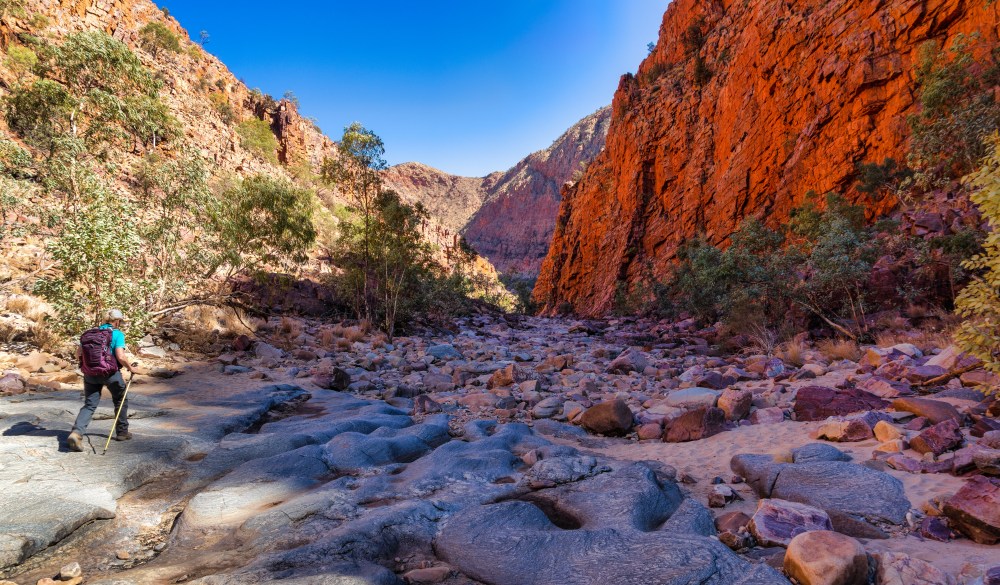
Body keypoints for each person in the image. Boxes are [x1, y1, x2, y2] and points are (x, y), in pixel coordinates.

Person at [66, 309, 139, 452]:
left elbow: (78, 354)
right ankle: (122, 433)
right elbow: (121, 356)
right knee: (120, 399)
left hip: (90, 375)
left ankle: (76, 433)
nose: (121, 324)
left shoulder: (90, 334)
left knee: (89, 405)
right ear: (117, 321)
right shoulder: (117, 334)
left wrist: (90, 367)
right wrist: (131, 368)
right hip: (110, 374)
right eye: (121, 322)